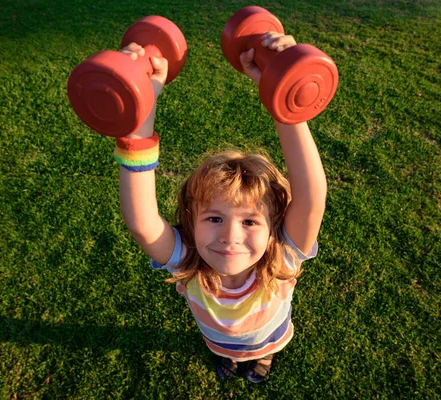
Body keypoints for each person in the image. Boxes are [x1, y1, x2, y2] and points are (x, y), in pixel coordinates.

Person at [115, 32, 327, 383]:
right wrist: (143, 104)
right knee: (224, 351)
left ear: (274, 224)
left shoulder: (283, 257)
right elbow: (141, 221)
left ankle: (262, 361)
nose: (230, 236)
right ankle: (229, 358)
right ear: (189, 221)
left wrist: (283, 93)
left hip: (270, 335)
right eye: (214, 217)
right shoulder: (188, 260)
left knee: (265, 350)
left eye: (249, 221)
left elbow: (311, 195)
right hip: (215, 339)